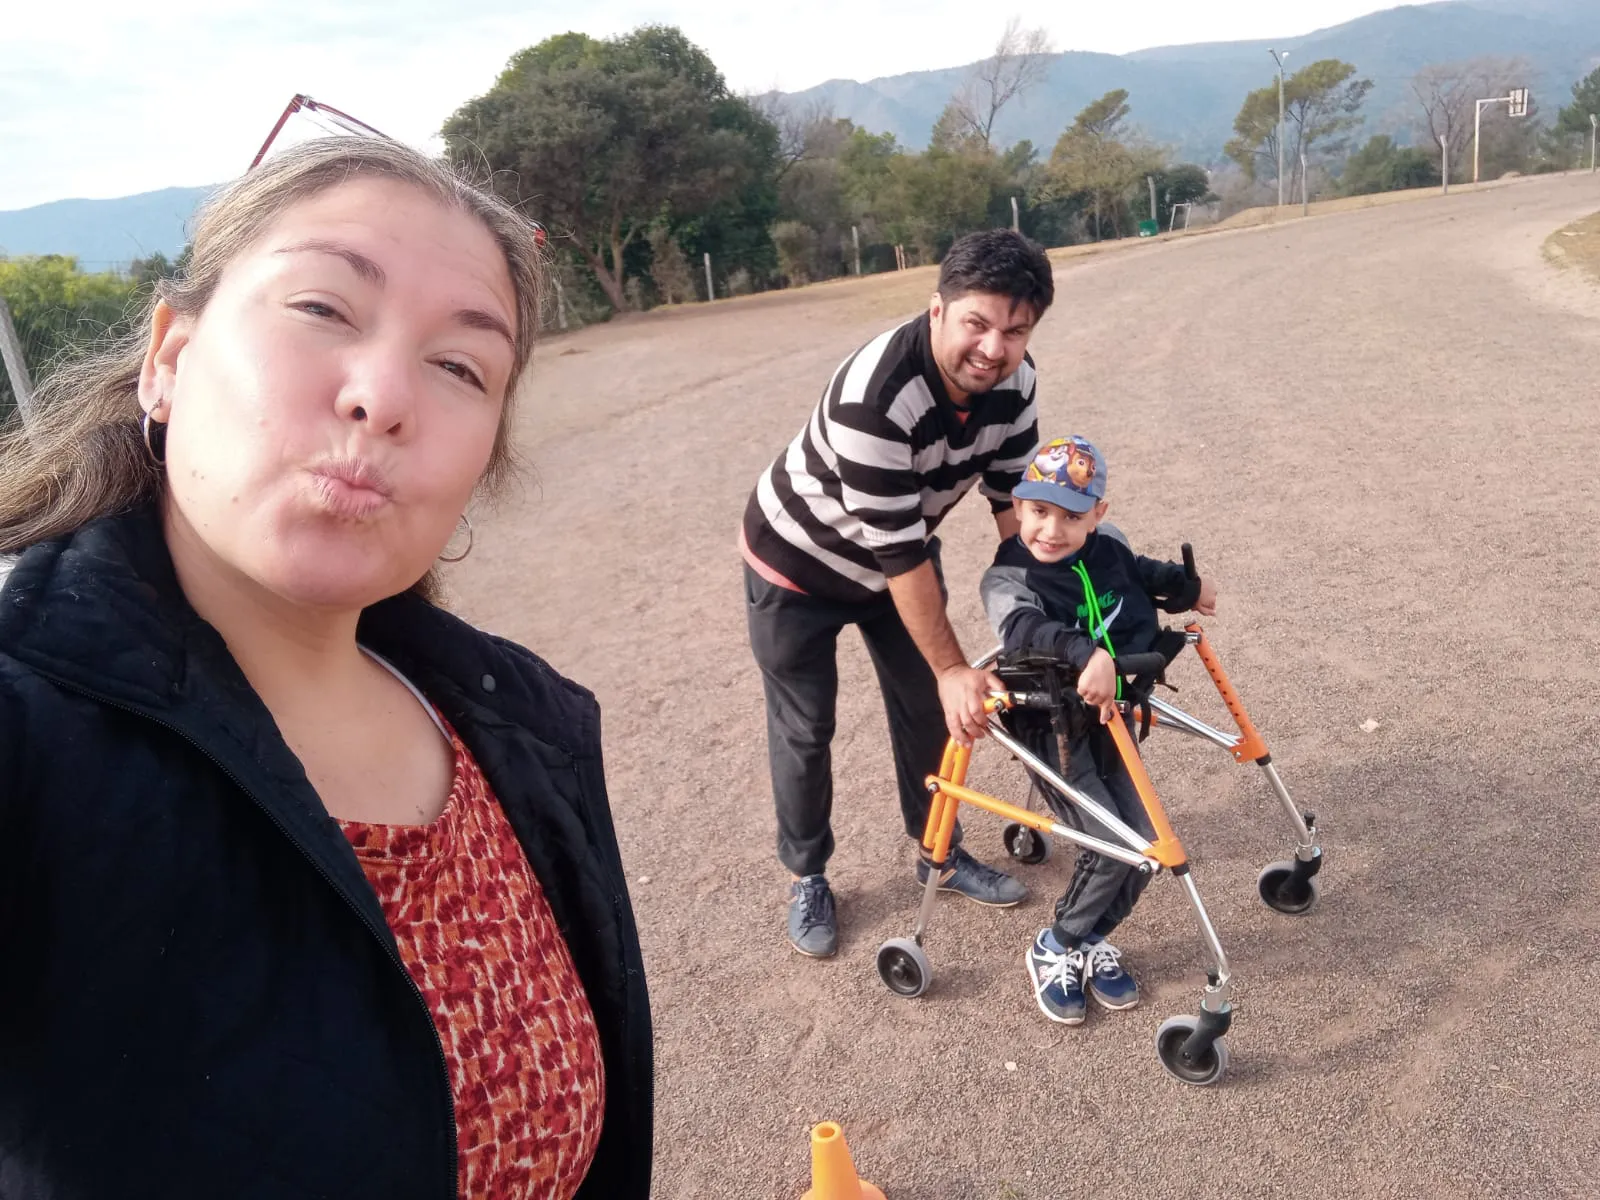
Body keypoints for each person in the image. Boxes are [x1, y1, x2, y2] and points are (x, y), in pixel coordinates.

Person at [0, 138, 651, 1199]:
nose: (383, 397)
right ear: (168, 358)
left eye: (460, 367)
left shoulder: (515, 727)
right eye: (321, 307)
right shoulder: (28, 740)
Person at [742, 229, 1054, 958]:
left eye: (1015, 331)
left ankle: (937, 851)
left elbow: (1015, 507)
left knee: (931, 714)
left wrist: (1040, 612)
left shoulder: (1017, 385)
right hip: (797, 565)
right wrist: (952, 666)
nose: (993, 349)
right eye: (977, 323)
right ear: (937, 310)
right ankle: (809, 874)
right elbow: (901, 555)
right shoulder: (876, 398)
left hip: (897, 555)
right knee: (805, 726)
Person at [980, 436, 1218, 1025]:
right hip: (1048, 723)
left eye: (1071, 516)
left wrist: (1186, 587)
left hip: (1109, 716)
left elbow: (1137, 572)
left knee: (1148, 847)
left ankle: (1088, 939)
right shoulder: (1008, 576)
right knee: (1113, 846)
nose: (1051, 530)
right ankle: (1054, 945)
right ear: (1018, 505)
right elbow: (1026, 629)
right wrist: (1088, 654)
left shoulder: (1107, 542)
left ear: (1097, 514)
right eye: (1039, 511)